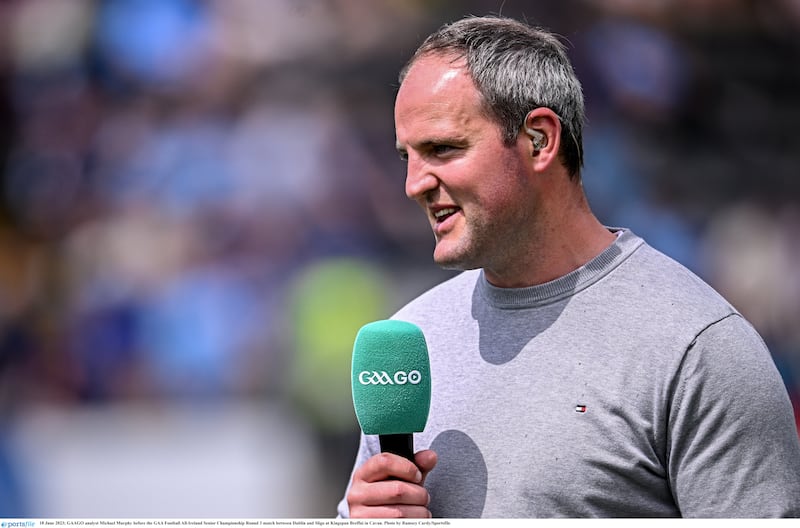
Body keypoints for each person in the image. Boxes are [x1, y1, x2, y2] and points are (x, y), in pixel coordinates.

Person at [337, 15, 800, 518]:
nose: (413, 184)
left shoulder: (698, 349)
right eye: (407, 156)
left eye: (442, 149)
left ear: (539, 140)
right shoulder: (410, 341)